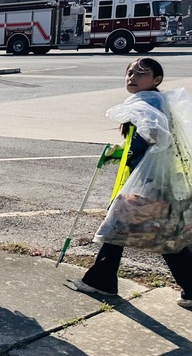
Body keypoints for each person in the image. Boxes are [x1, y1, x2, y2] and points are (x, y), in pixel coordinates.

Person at [67, 57, 192, 307]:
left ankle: (101, 281)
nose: (132, 78)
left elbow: (153, 136)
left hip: (149, 181)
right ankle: (190, 287)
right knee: (165, 235)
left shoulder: (147, 102)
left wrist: (130, 156)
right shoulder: (158, 100)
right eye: (129, 73)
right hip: (162, 181)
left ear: (156, 80)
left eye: (140, 74)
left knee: (118, 228)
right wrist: (120, 151)